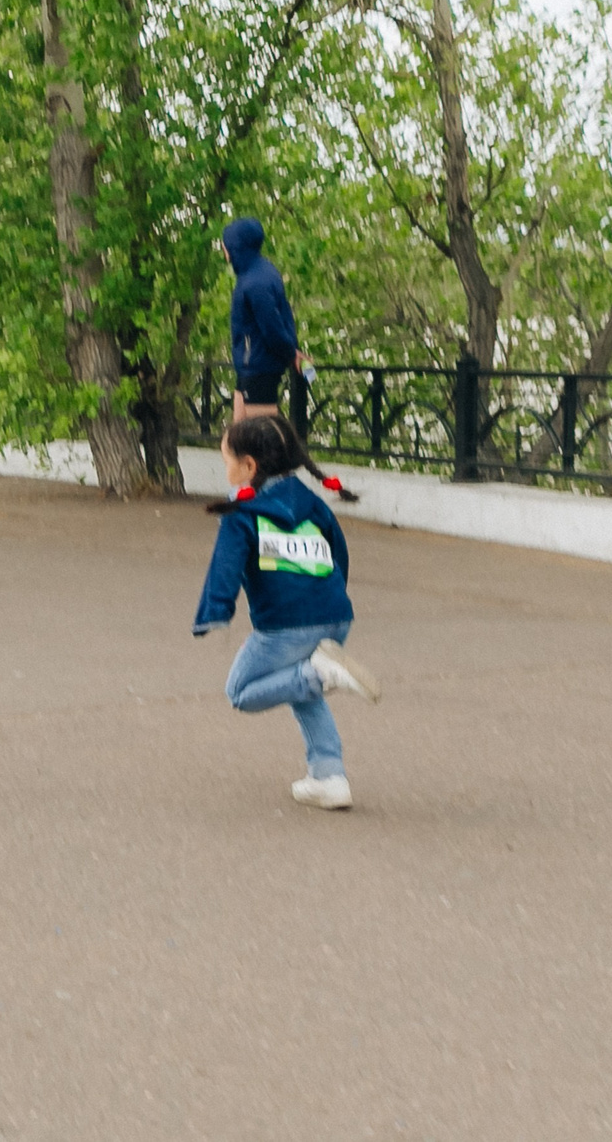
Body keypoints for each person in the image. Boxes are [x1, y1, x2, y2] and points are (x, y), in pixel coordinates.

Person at [196, 413, 377, 810]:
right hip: (334, 613)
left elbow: (224, 568)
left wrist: (215, 612)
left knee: (241, 692)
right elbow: (338, 554)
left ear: (249, 466)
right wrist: (331, 599)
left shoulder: (243, 512)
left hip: (286, 625)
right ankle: (329, 777)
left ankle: (321, 673)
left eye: (227, 460)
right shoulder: (312, 504)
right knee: (302, 691)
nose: (225, 469)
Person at [222, 217, 306, 423]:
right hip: (249, 365)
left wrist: (290, 352)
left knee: (263, 443)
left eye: (225, 244)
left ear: (236, 247)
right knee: (236, 443)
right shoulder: (257, 273)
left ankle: (291, 454)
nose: (222, 249)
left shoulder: (256, 282)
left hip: (259, 367)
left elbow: (272, 327)